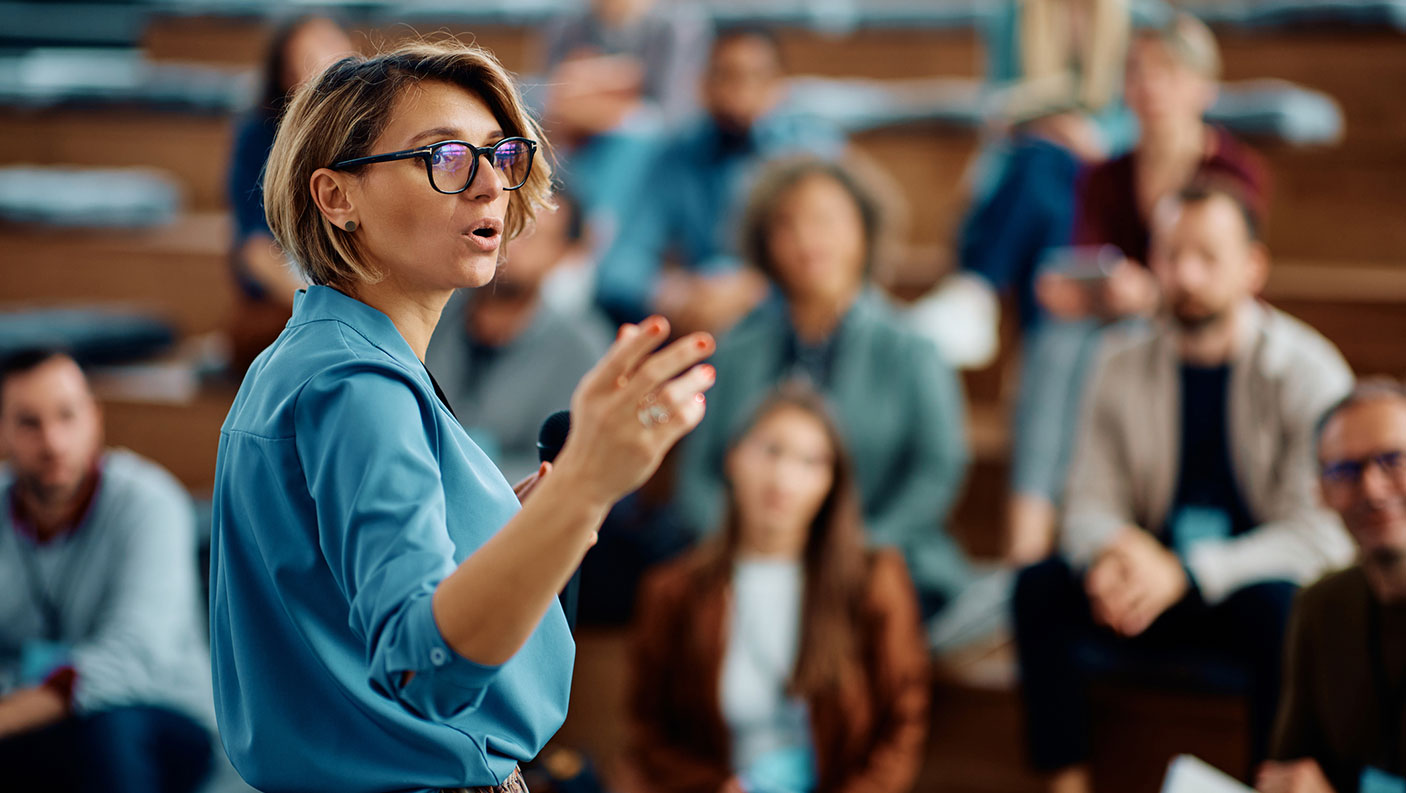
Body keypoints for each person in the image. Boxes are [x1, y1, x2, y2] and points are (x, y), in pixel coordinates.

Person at [209, 40, 718, 793]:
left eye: (499, 154)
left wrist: (540, 513)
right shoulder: (356, 384)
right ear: (335, 196)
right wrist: (583, 484)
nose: (489, 186)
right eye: (444, 157)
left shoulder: (316, 356)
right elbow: (427, 665)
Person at [1012, 182, 1354, 793]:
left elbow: (1320, 534)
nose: (1187, 275)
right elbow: (1087, 502)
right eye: (1171, 255)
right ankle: (1066, 783)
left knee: (1288, 611)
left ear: (1253, 266)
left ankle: (1264, 783)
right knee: (1037, 588)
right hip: (1143, 588)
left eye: (1208, 256)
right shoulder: (1116, 360)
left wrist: (1188, 571)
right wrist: (1117, 552)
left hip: (1241, 587)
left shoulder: (1309, 371)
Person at [1006, 12, 1270, 564]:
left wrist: (1149, 293)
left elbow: (1228, 277)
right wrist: (1075, 288)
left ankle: (1075, 531)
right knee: (1059, 338)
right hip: (1119, 321)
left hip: (1196, 319)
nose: (1149, 87)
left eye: (1167, 73)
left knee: (1100, 344)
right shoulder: (1106, 175)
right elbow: (1092, 261)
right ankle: (1028, 536)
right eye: (1137, 73)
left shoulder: (1233, 170)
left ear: (1204, 87)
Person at [675, 156, 970, 618]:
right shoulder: (735, 350)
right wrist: (746, 547)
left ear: (864, 231)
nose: (807, 239)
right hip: (743, 564)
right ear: (764, 244)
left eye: (826, 220)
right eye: (786, 224)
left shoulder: (913, 349)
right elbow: (698, 476)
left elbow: (936, 471)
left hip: (875, 560)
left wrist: (852, 550)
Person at [629, 386, 929, 793]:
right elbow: (649, 732)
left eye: (810, 461)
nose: (784, 476)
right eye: (771, 450)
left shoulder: (874, 581)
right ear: (733, 457)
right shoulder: (674, 591)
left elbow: (903, 722)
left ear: (831, 482)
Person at [0, 348, 215, 793]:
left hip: (155, 712)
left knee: (107, 728)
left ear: (95, 418)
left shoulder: (150, 503)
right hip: (34, 715)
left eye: (67, 416)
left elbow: (132, 657)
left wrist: (10, 714)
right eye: (28, 423)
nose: (53, 442)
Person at [594, 26, 845, 335]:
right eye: (724, 75)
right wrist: (667, 291)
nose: (738, 90)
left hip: (784, 323)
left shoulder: (808, 155)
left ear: (780, 86)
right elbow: (620, 266)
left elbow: (832, 258)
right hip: (693, 321)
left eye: (756, 76)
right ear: (701, 84)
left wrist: (752, 288)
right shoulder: (676, 157)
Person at [1258, 380, 1406, 793]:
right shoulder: (1320, 606)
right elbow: (1293, 766)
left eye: (1393, 460)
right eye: (1344, 471)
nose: (1372, 489)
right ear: (1321, 492)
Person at [427, 194, 613, 482]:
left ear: (563, 253)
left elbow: (563, 468)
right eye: (506, 225)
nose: (511, 244)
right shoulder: (431, 310)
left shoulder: (579, 347)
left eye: (532, 235)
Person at [225, 15, 355, 372]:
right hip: (289, 301)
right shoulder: (259, 138)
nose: (332, 64)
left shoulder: (366, 132)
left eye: (336, 49)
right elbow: (255, 253)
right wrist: (325, 306)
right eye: (312, 58)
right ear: (287, 80)